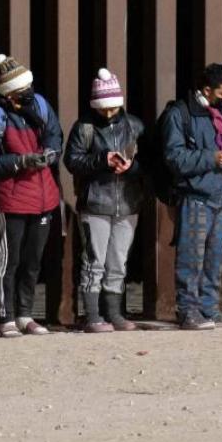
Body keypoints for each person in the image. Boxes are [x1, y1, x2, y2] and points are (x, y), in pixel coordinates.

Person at [0, 54, 63, 338]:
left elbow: (55, 135)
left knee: (33, 260)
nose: (28, 93)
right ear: (8, 94)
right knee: (9, 260)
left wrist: (50, 152)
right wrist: (21, 161)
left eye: (29, 87)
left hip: (43, 195)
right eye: (21, 90)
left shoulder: (40, 105)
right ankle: (7, 317)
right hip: (11, 198)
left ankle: (25, 314)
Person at [162, 63, 222, 330]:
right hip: (195, 196)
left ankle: (210, 309)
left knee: (214, 258)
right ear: (206, 90)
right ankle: (188, 311)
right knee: (191, 258)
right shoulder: (180, 114)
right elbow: (174, 157)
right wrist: (211, 158)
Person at [64, 68, 144, 333]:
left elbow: (148, 163)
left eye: (113, 108)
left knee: (118, 262)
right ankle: (92, 315)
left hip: (127, 203)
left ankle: (114, 313)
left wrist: (131, 167)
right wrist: (102, 160)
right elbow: (72, 161)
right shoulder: (84, 128)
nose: (109, 113)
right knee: (94, 261)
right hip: (95, 203)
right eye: (103, 108)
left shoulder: (134, 125)